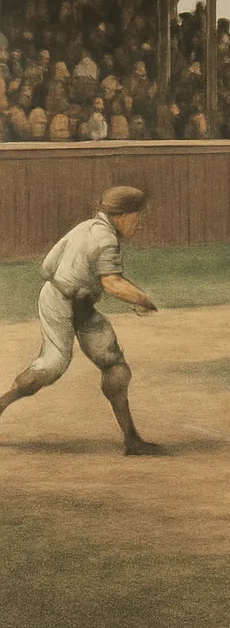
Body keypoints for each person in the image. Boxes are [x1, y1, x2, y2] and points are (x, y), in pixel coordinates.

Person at [0, 186, 163, 455]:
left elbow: (48, 266)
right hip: (59, 303)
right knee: (53, 364)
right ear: (121, 215)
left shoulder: (85, 227)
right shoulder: (105, 239)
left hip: (82, 307)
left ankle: (131, 439)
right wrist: (142, 299)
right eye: (137, 215)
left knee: (115, 365)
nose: (140, 223)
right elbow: (112, 283)